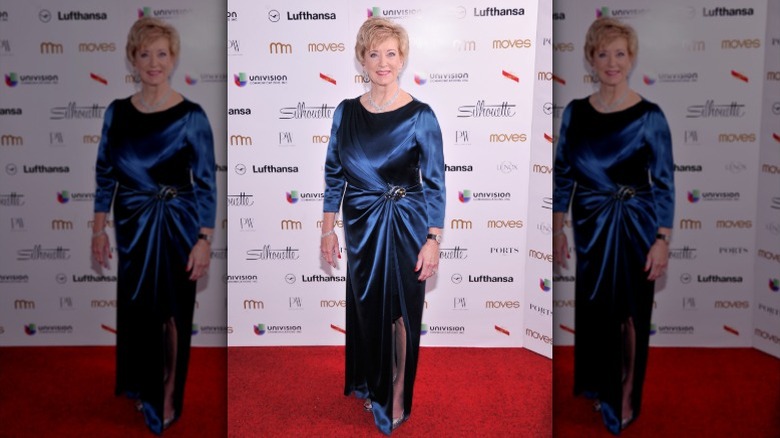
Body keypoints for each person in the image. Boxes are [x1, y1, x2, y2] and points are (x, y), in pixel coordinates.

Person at [91, 17, 216, 435]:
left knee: (173, 314)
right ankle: (143, 385)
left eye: (161, 53)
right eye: (144, 54)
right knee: (139, 311)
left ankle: (166, 396)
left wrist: (204, 240)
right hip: (131, 227)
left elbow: (207, 182)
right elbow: (105, 174)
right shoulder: (117, 112)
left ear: (173, 58)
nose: (153, 62)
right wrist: (97, 229)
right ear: (132, 59)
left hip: (179, 226)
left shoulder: (192, 116)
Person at [320, 17, 445, 435]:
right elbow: (334, 174)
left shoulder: (421, 115)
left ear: (402, 58)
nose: (382, 62)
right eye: (373, 53)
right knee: (366, 306)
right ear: (362, 59)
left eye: (390, 53)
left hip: (408, 223)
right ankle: (371, 382)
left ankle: (396, 392)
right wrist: (327, 229)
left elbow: (436, 182)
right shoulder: (346, 112)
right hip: (360, 225)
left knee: (401, 313)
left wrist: (433, 239)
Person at [552, 17, 674, 435]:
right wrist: (557, 230)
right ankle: (602, 386)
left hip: (638, 228)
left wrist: (662, 239)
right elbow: (563, 175)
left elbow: (664, 183)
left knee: (631, 314)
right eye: (602, 53)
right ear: (589, 58)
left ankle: (625, 396)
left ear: (631, 58)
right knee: (596, 312)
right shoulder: (575, 113)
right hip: (590, 228)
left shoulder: (650, 116)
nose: (611, 62)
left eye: (619, 53)